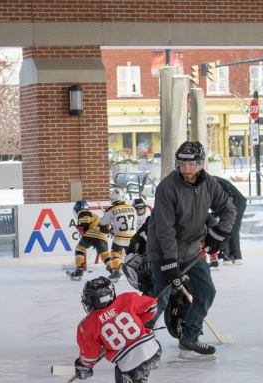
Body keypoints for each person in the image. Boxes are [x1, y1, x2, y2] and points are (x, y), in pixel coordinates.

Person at [146, 140, 236, 359]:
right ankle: (137, 339)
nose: (187, 169)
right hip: (163, 250)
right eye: (182, 164)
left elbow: (228, 209)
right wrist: (170, 262)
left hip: (192, 250)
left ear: (201, 164)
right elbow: (164, 228)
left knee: (206, 292)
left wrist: (219, 233)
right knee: (161, 297)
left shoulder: (210, 184)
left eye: (192, 164)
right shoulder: (167, 187)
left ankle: (190, 337)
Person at [74, 277, 161, 383]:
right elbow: (151, 307)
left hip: (131, 362)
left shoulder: (87, 325)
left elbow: (91, 354)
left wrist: (83, 366)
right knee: (138, 366)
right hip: (153, 349)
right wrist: (139, 321)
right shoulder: (127, 298)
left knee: (122, 373)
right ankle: (140, 381)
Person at [67, 200, 114, 281]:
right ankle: (113, 271)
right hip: (102, 236)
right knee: (105, 255)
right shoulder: (93, 215)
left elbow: (85, 223)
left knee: (79, 249)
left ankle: (79, 271)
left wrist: (82, 227)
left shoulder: (83, 213)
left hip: (91, 234)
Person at [100, 188, 138, 281]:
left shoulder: (111, 210)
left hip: (120, 238)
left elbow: (103, 224)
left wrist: (108, 229)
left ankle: (117, 270)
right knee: (132, 256)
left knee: (115, 253)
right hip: (133, 237)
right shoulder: (133, 208)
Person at [214, 176, 247, 265]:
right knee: (227, 228)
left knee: (231, 228)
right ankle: (227, 254)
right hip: (231, 203)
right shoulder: (210, 182)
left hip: (237, 203)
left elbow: (228, 197)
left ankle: (234, 255)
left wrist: (215, 214)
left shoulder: (213, 182)